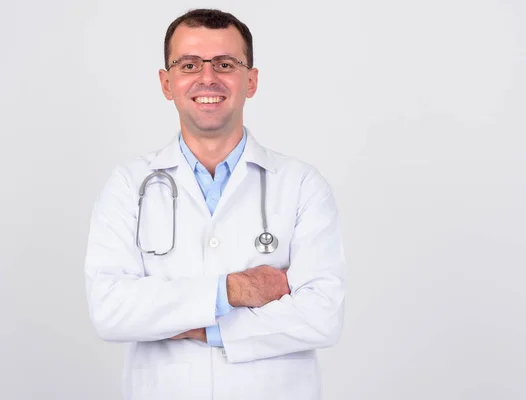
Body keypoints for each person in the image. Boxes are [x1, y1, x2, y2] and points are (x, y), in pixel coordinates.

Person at [84, 8, 346, 400]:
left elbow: (323, 315)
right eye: (189, 64)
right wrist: (233, 290)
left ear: (251, 81)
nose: (208, 78)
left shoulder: (301, 184)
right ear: (166, 82)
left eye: (225, 64)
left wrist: (199, 326)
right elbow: (110, 310)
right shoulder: (128, 186)